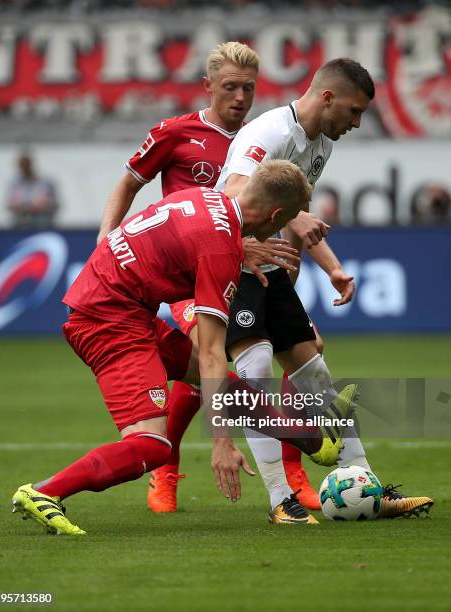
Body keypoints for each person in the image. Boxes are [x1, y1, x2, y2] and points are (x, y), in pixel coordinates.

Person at [11, 160, 343, 536]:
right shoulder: (220, 249)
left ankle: (311, 439)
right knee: (153, 445)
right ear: (276, 215)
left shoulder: (206, 198)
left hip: (121, 305)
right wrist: (221, 442)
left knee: (226, 386)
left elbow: (188, 240)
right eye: (283, 223)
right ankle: (43, 492)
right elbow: (215, 351)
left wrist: (238, 247)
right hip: (108, 322)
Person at [97, 41, 322, 519]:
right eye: (230, 87)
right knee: (210, 359)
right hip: (196, 271)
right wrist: (105, 240)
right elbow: (129, 184)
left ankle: (294, 472)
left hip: (254, 268)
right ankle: (167, 467)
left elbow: (294, 209)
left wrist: (329, 262)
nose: (241, 97)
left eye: (249, 88)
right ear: (208, 87)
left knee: (307, 351)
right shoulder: (176, 133)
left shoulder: (264, 140)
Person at [214, 57, 434, 520]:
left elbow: (293, 213)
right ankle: (281, 501)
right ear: (327, 97)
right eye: (353, 112)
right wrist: (293, 219)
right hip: (233, 257)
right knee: (254, 377)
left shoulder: (319, 146)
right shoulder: (269, 133)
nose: (356, 123)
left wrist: (329, 269)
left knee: (316, 377)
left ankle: (369, 489)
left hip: (270, 263)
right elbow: (234, 190)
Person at [6, 153, 59, 229]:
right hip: (20, 224)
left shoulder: (45, 183)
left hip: (42, 223)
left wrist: (41, 206)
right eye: (22, 166)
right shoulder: (15, 184)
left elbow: (54, 204)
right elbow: (10, 204)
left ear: (31, 165)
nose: (25, 169)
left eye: (26, 165)